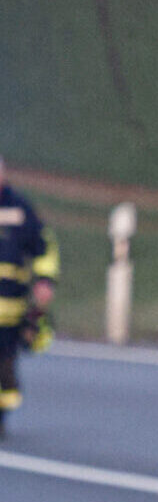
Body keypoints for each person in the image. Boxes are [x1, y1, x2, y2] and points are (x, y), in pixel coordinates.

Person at [0, 154, 58, 435]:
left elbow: (43, 247)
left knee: (5, 368)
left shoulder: (20, 209)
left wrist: (45, 281)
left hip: (11, 311)